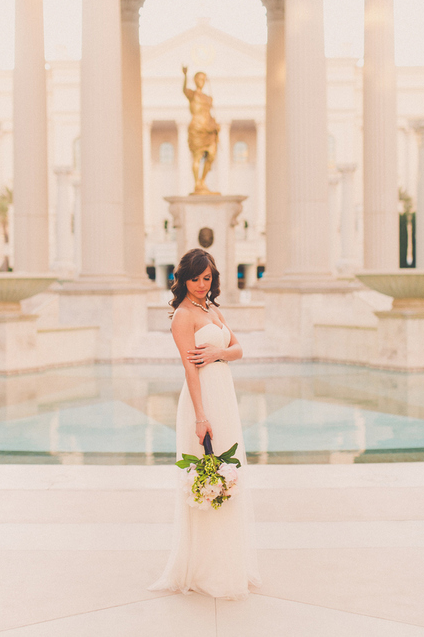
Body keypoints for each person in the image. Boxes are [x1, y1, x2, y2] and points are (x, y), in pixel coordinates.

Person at [149, 248, 261, 599]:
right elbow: (189, 368)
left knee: (230, 476)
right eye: (195, 278)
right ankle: (205, 569)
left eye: (207, 278)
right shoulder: (183, 316)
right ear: (182, 279)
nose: (201, 284)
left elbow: (239, 348)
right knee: (207, 474)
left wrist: (219, 353)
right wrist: (200, 416)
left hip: (224, 396)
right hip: (203, 401)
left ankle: (230, 563)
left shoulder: (211, 309)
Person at [182, 67, 220, 194]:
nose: (201, 81)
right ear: (195, 80)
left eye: (203, 79)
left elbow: (209, 113)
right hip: (197, 128)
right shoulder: (192, 94)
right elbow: (184, 90)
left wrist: (215, 125)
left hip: (208, 129)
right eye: (199, 79)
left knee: (212, 155)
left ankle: (202, 181)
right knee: (197, 156)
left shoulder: (208, 98)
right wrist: (185, 76)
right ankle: (197, 183)